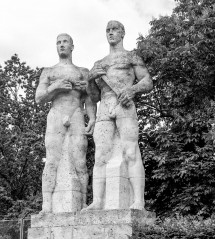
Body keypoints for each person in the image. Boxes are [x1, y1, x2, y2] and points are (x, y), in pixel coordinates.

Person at [86, 20, 153, 211]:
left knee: (131, 152)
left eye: (114, 29)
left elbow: (147, 82)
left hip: (125, 104)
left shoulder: (131, 57)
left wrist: (132, 90)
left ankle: (138, 201)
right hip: (105, 107)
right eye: (108, 30)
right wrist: (91, 79)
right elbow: (93, 96)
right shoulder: (99, 64)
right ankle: (98, 201)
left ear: (123, 33)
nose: (111, 33)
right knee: (100, 156)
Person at [35, 33, 96, 212]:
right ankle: (47, 205)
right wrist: (55, 87)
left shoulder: (83, 72)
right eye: (58, 42)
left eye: (65, 42)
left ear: (72, 46)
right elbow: (39, 98)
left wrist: (92, 118)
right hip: (56, 114)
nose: (61, 45)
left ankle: (83, 203)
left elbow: (90, 99)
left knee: (80, 162)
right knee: (51, 161)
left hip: (76, 113)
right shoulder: (49, 71)